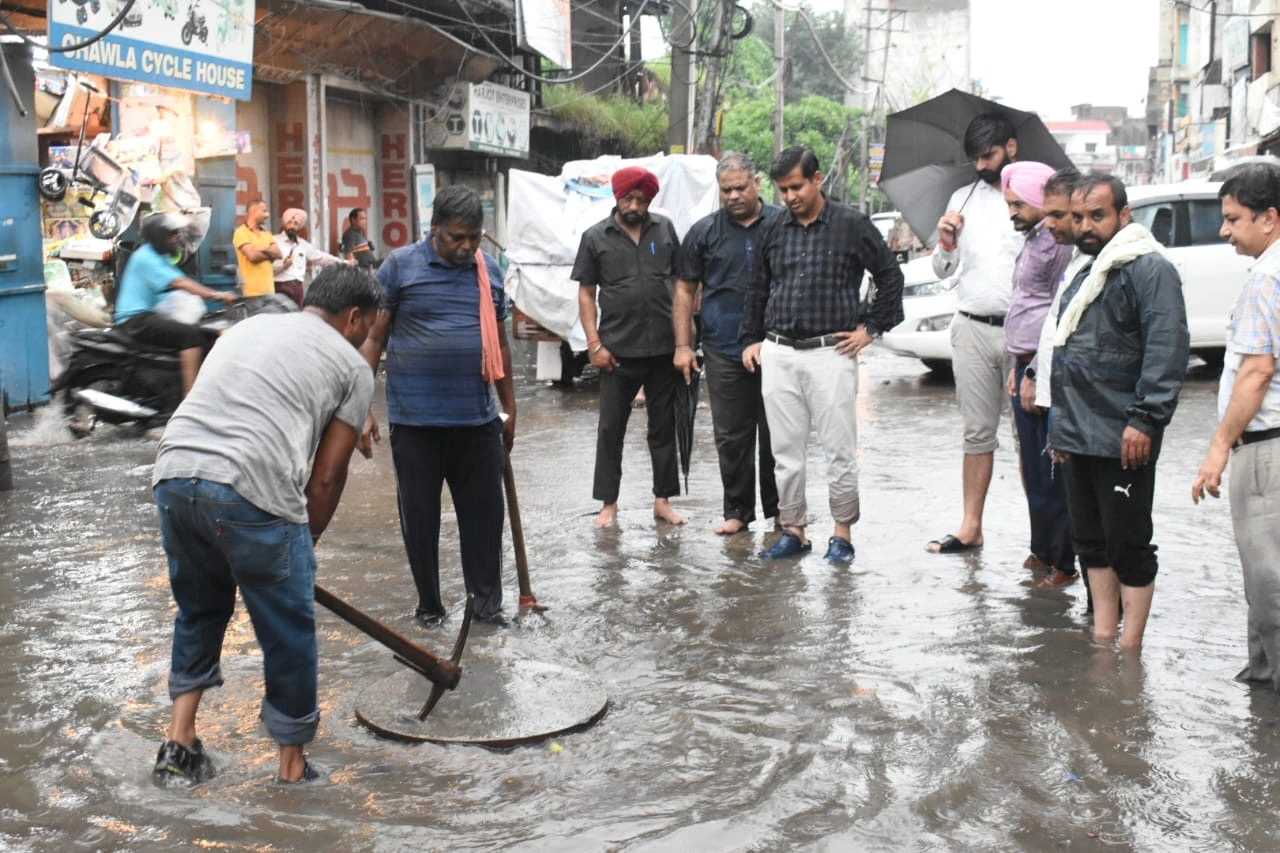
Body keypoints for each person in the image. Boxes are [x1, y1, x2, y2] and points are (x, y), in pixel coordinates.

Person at [150, 265, 380, 785]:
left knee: (199, 610)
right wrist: (302, 547)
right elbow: (326, 477)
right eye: (369, 326)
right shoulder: (353, 365)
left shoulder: (247, 326)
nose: (369, 336)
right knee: (289, 632)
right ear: (353, 318)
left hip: (174, 473)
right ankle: (292, 769)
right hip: (247, 487)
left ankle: (179, 743)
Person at [360, 185, 515, 628]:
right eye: (456, 238)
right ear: (435, 231)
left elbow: (498, 344)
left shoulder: (489, 271)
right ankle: (430, 608)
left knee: (484, 522)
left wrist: (510, 407)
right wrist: (360, 405)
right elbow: (375, 336)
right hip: (416, 424)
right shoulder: (400, 267)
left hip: (478, 420)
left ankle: (486, 611)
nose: (466, 247)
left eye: (474, 238)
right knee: (421, 522)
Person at [741, 146, 904, 562]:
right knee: (785, 453)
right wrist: (752, 338)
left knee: (838, 449)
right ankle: (793, 530)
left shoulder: (851, 225)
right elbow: (758, 286)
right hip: (779, 351)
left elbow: (889, 275)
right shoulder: (775, 229)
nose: (790, 197)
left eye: (796, 186)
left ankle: (842, 535)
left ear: (817, 179)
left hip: (831, 351)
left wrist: (872, 329)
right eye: (782, 190)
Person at [1047, 173, 1189, 650]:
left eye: (1098, 215)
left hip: (1124, 432)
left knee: (1128, 542)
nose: (1086, 226)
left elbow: (1166, 350)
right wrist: (1060, 430)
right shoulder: (1088, 269)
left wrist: (1145, 419)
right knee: (1090, 541)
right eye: (1079, 216)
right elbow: (1064, 352)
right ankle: (1104, 640)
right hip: (1078, 432)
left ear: (1123, 215)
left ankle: (1131, 651)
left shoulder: (1149, 269)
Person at [1192, 163, 1280, 691]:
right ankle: (1263, 679)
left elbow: (1256, 371)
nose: (1224, 231)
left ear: (1269, 218)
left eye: (1233, 219)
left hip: (1265, 448)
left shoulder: (1267, 280)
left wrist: (1219, 449)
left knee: (1268, 577)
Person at [926, 113, 1024, 554]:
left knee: (1032, 437)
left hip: (1023, 334)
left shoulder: (1033, 197)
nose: (982, 165)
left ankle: (1043, 537)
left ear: (1012, 148)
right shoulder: (960, 199)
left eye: (990, 155)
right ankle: (971, 526)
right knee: (976, 432)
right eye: (976, 158)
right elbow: (944, 270)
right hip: (970, 328)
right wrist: (946, 244)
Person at [674, 152, 782, 535]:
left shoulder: (782, 224)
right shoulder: (704, 232)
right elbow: (685, 290)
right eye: (726, 190)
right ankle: (737, 511)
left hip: (777, 345)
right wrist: (684, 346)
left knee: (778, 433)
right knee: (731, 435)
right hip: (723, 345)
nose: (734, 195)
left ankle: (780, 513)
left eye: (741, 187)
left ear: (757, 184)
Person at [573, 165, 685, 528]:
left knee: (663, 427)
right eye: (629, 198)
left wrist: (686, 341)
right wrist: (594, 344)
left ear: (650, 200)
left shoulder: (664, 229)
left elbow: (683, 284)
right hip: (617, 351)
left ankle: (663, 500)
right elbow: (587, 294)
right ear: (617, 197)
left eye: (642, 199)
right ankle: (609, 504)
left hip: (663, 348)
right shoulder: (595, 237)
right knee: (611, 429)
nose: (635, 205)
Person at [1000, 161, 1077, 587]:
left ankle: (1062, 561)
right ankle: (1043, 549)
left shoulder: (1057, 244)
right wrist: (1018, 367)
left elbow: (1055, 313)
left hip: (1042, 364)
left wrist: (1032, 369)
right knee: (1032, 465)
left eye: (1017, 203)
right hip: (1024, 362)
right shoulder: (1033, 239)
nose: (1012, 210)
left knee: (1052, 469)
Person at [113, 212, 236, 395]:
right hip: (135, 320)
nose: (176, 238)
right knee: (191, 336)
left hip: (148, 315)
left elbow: (178, 281)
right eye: (172, 234)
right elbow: (180, 283)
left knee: (210, 334)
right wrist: (216, 294)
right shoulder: (147, 258)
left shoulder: (158, 255)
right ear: (159, 236)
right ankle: (190, 399)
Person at [273, 208, 350, 308]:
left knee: (296, 318)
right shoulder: (274, 241)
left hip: (297, 288)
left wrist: (345, 262)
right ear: (284, 225)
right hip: (280, 286)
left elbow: (321, 258)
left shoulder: (303, 244)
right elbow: (267, 266)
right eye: (290, 223)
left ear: (299, 227)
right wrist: (283, 265)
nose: (292, 226)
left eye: (296, 223)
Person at [234, 198, 282, 298]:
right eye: (264, 211)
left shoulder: (266, 233)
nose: (267, 215)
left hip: (270, 292)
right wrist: (270, 253)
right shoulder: (241, 232)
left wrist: (261, 249)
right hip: (251, 294)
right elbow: (253, 257)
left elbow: (279, 254)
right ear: (253, 211)